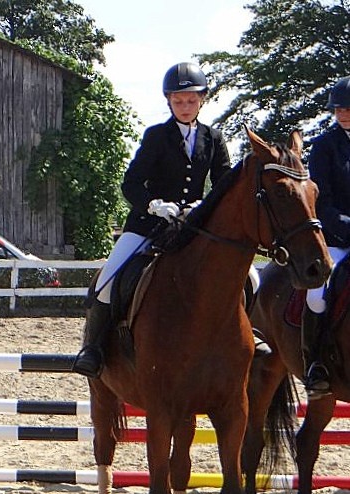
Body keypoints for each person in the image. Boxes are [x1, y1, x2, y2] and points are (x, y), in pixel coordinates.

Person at [72, 62, 232, 378]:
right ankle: (94, 349)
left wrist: (205, 205)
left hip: (193, 226)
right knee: (107, 281)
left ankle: (250, 337)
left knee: (248, 278)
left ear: (202, 100)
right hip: (150, 224)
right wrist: (154, 205)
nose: (185, 107)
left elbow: (225, 183)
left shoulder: (214, 138)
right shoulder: (156, 136)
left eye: (191, 100)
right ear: (169, 101)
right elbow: (130, 183)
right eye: (178, 101)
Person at [302, 76, 350, 399]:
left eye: (348, 108)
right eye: (339, 109)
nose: (343, 113)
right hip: (337, 237)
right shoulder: (324, 146)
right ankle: (316, 363)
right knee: (317, 294)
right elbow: (322, 200)